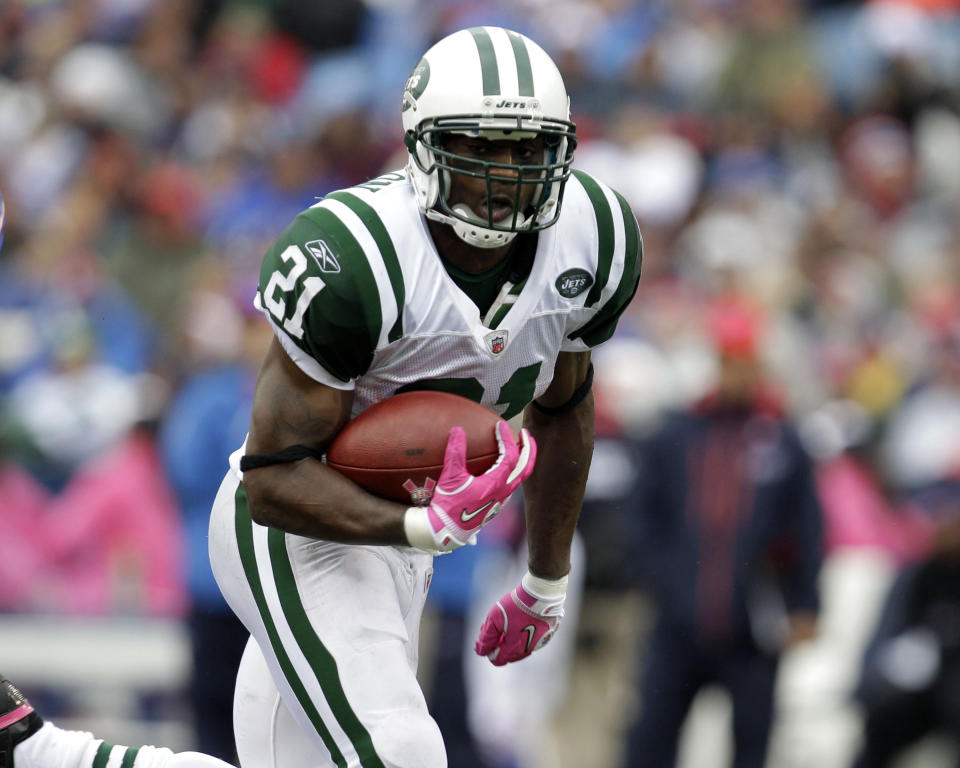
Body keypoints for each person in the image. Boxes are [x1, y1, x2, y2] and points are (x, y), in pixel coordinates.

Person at [2, 25, 642, 768]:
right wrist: (415, 524)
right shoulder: (359, 254)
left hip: (406, 548)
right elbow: (272, 476)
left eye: (527, 150)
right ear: (423, 147)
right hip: (294, 527)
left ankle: (41, 755)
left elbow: (564, 406)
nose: (506, 174)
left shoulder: (594, 236)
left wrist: (545, 580)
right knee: (401, 755)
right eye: (481, 146)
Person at [621, 299, 823, 768]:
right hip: (677, 619)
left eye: (745, 362)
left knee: (752, 742)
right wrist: (662, 580)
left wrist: (805, 603)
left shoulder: (781, 438)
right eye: (728, 362)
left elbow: (807, 527)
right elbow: (644, 516)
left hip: (752, 622)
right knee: (650, 738)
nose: (736, 373)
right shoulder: (676, 433)